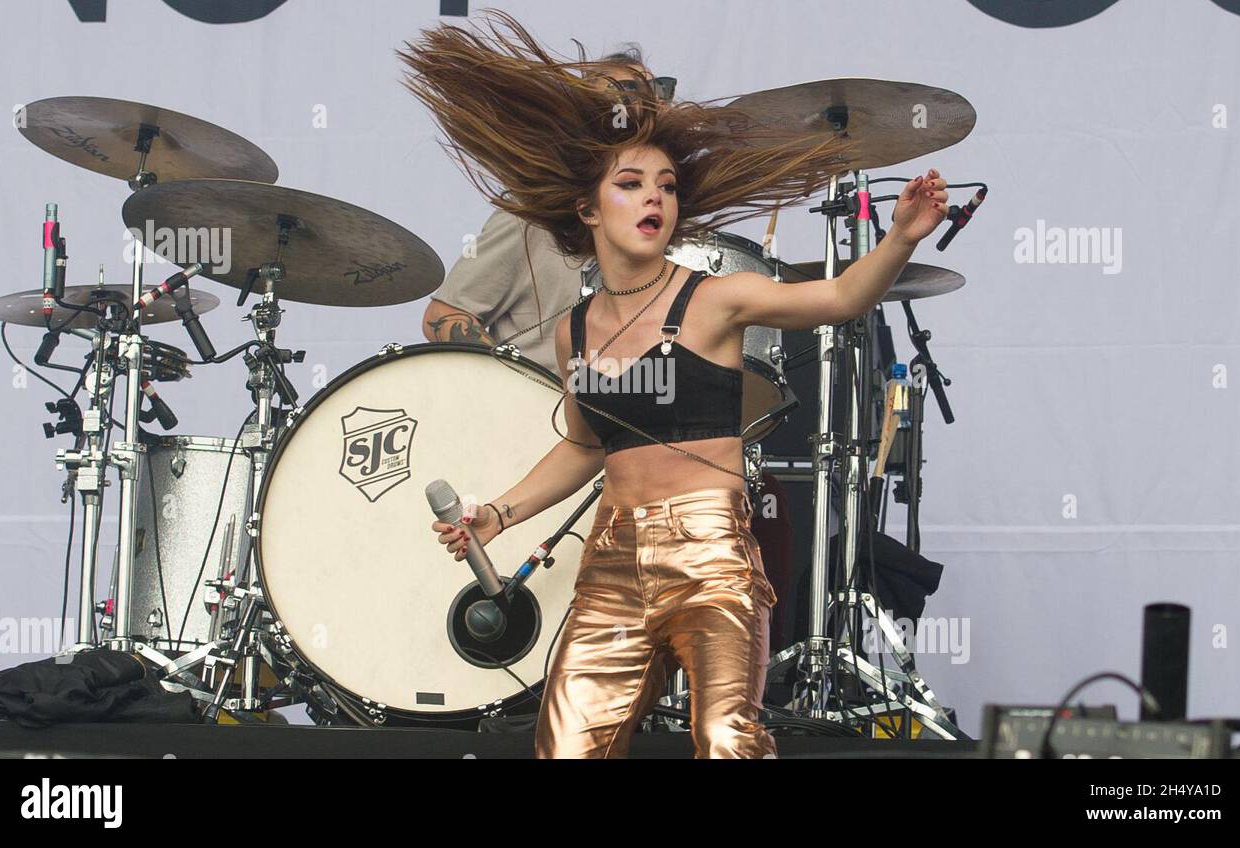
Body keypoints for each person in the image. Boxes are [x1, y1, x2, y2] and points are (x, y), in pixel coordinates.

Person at [401, 11, 948, 758]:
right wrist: (498, 513)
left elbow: (841, 298)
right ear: (590, 209)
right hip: (611, 564)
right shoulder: (576, 329)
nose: (654, 197)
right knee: (564, 745)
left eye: (665, 185)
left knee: (727, 739)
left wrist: (899, 238)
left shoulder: (713, 300)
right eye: (630, 184)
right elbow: (585, 446)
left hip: (708, 554)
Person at [420, 47, 662, 371]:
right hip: (538, 414)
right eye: (626, 90)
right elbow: (445, 315)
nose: (641, 102)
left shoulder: (662, 215)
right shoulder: (530, 217)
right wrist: (521, 385)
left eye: (658, 88)